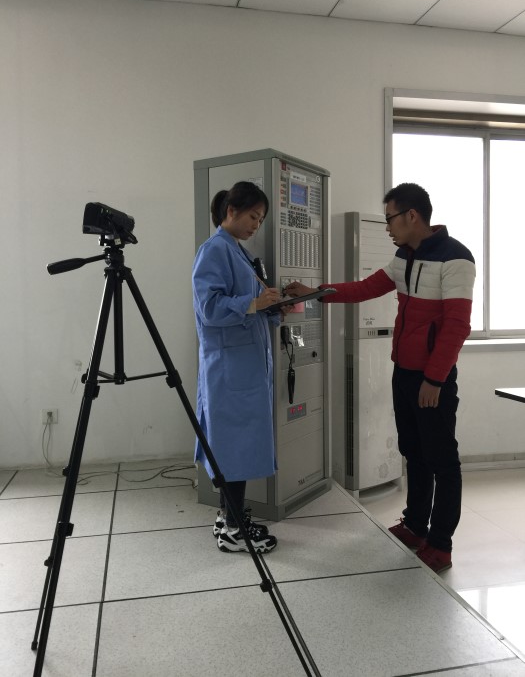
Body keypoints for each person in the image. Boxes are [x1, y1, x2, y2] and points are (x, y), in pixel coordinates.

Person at [285, 182, 475, 573]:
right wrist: (314, 292)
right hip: (404, 372)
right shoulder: (404, 257)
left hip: (432, 379)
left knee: (442, 460)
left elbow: (457, 327)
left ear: (412, 216)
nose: (387, 226)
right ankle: (415, 525)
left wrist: (434, 380)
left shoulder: (456, 258)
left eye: (390, 218)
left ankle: (441, 544)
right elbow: (365, 288)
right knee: (413, 452)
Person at [192, 180, 285, 554]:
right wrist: (255, 303)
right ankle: (233, 529)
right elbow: (210, 308)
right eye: (253, 217)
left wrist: (273, 304)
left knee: (236, 447)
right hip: (229, 368)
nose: (255, 226)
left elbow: (250, 303)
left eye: (260, 220)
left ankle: (227, 517)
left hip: (244, 365)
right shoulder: (214, 250)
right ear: (231, 211)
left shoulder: (239, 253)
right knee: (233, 448)